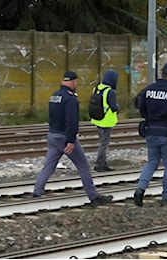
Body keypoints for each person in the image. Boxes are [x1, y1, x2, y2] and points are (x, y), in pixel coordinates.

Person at [33, 70, 113, 206]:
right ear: (73, 82)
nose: (76, 84)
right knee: (83, 166)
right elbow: (72, 122)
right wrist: (70, 141)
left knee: (49, 165)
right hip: (65, 137)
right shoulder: (70, 99)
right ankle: (94, 197)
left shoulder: (54, 96)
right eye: (76, 82)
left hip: (52, 135)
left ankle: (37, 191)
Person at [133, 62, 167, 207]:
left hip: (151, 131)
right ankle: (166, 198)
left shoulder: (149, 89)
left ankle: (140, 189)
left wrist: (149, 120)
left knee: (151, 162)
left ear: (162, 74)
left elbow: (140, 107)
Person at [91, 69, 119, 172]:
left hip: (98, 120)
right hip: (107, 122)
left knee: (102, 142)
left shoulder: (97, 88)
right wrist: (117, 107)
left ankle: (103, 162)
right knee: (103, 144)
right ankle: (100, 165)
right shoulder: (110, 92)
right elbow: (113, 107)